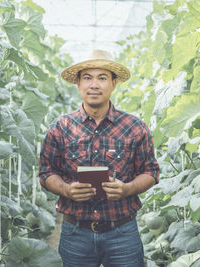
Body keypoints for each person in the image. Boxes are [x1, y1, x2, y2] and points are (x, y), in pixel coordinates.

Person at [39, 49, 160, 267]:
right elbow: (46, 172)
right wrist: (66, 190)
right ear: (78, 83)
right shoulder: (61, 127)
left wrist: (127, 188)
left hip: (122, 233)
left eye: (102, 78)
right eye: (87, 78)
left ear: (113, 84)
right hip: (76, 233)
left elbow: (151, 172)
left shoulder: (135, 127)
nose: (94, 85)